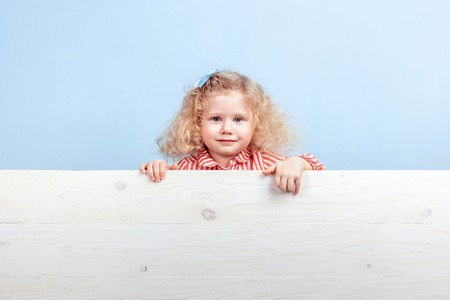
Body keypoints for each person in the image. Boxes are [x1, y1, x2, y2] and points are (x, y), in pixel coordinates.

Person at [140, 69, 324, 195]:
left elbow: (321, 171)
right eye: (216, 119)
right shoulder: (186, 168)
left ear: (255, 124)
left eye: (238, 119)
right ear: (197, 123)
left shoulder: (266, 163)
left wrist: (296, 163)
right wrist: (157, 171)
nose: (227, 129)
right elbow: (167, 197)